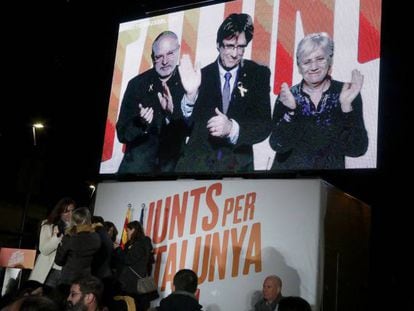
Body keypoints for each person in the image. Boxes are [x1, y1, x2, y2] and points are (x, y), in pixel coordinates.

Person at [176, 13, 271, 173]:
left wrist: (232, 129)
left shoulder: (258, 74)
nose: (235, 54)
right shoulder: (199, 76)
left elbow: (264, 125)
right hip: (198, 169)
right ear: (218, 44)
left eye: (241, 47)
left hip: (238, 170)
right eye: (229, 46)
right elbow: (184, 128)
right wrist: (190, 96)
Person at [269, 32, 368, 170]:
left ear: (330, 61)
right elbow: (277, 145)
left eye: (320, 59)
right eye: (307, 61)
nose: (313, 67)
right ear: (299, 66)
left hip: (328, 183)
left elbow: (357, 149)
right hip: (288, 181)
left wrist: (346, 108)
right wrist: (291, 112)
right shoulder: (288, 96)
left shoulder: (346, 92)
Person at [116, 30, 200, 174]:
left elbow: (195, 132)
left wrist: (173, 113)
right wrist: (140, 122)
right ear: (152, 57)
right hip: (135, 173)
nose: (165, 61)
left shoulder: (189, 81)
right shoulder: (137, 84)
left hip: (172, 175)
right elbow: (122, 134)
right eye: (159, 56)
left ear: (179, 51)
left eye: (170, 54)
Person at [29, 198, 76, 289]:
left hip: (67, 273)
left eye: (72, 211)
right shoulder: (48, 225)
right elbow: (44, 250)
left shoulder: (76, 228)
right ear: (60, 212)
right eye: (66, 211)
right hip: (49, 271)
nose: (70, 214)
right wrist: (57, 237)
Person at [55, 208, 101, 291]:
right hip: (85, 279)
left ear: (74, 220)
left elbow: (58, 261)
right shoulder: (96, 237)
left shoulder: (70, 237)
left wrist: (60, 244)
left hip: (68, 280)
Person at [116, 221, 155, 311]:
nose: (127, 233)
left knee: (133, 305)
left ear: (133, 229)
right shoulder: (136, 243)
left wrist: (118, 249)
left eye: (128, 231)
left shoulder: (142, 242)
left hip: (134, 283)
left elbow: (128, 259)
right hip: (140, 281)